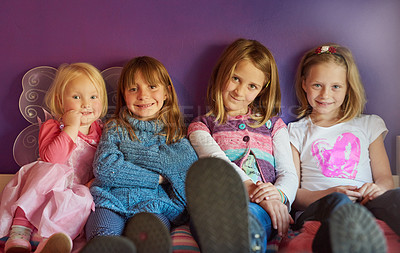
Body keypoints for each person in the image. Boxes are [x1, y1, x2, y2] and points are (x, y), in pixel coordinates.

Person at [187, 38, 298, 252]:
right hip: (217, 206)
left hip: (263, 209)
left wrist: (278, 196)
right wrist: (255, 191)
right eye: (235, 78)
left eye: (252, 86)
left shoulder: (274, 125)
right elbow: (218, 164)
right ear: (223, 72)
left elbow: (288, 172)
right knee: (218, 222)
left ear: (262, 89)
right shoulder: (201, 126)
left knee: (249, 221)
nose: (240, 91)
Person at [288, 44, 400, 253]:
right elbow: (294, 194)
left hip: (366, 204)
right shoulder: (295, 131)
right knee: (338, 202)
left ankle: (361, 231)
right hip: (320, 206)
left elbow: (384, 178)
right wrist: (329, 193)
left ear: (348, 87)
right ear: (304, 84)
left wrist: (378, 189)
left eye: (336, 87)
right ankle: (349, 240)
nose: (325, 94)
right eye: (317, 85)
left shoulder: (369, 125)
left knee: (396, 197)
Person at [82, 56, 198, 253]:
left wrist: (130, 159)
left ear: (167, 93)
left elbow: (185, 175)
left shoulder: (175, 135)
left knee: (152, 240)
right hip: (110, 200)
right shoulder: (115, 128)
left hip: (153, 205)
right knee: (102, 238)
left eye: (152, 86)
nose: (143, 95)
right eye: (133, 89)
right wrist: (158, 177)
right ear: (124, 95)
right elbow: (105, 168)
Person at [0, 63, 108, 253]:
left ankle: (51, 242)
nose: (86, 103)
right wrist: (71, 128)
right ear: (60, 101)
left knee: (84, 199)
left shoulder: (101, 132)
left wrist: (93, 183)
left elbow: (105, 162)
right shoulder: (53, 126)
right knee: (46, 172)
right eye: (76, 97)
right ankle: (19, 234)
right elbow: (51, 159)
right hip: (48, 185)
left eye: (93, 97)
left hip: (75, 189)